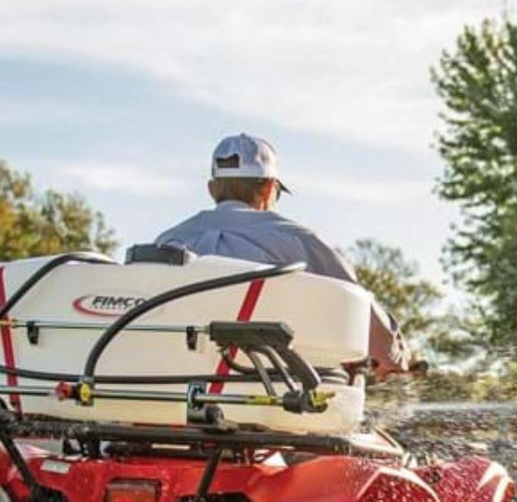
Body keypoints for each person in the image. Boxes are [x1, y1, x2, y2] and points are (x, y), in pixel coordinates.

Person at [155, 134, 415, 376]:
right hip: (272, 395)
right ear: (269, 189)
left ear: (212, 189)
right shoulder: (299, 241)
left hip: (171, 390)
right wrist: (398, 359)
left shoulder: (166, 243)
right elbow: (363, 314)